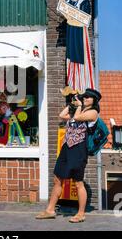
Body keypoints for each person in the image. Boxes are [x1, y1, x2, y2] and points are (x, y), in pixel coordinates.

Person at [36, 88, 102, 223]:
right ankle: (50, 210)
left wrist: (78, 107)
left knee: (78, 182)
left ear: (94, 100)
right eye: (85, 97)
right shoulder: (79, 110)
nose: (85, 99)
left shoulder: (93, 113)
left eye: (88, 97)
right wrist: (72, 103)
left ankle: (81, 213)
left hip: (79, 149)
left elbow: (77, 118)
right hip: (66, 148)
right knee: (57, 179)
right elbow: (62, 115)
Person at [57, 0, 95, 92]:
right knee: (71, 53)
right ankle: (72, 83)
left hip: (78, 29)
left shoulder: (85, 0)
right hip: (71, 28)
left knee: (79, 53)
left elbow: (85, 18)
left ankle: (81, 86)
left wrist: (71, 12)